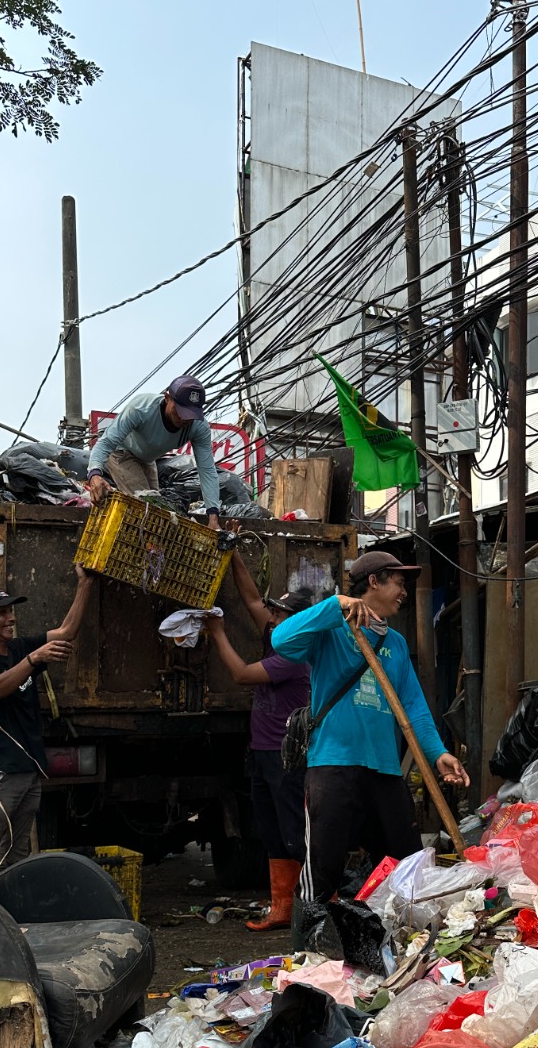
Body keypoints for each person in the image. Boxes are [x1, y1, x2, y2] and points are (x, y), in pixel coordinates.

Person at [270, 550, 468, 930]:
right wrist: (336, 605)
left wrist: (438, 753)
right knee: (322, 869)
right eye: (398, 582)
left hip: (383, 769)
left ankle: (405, 940)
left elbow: (413, 707)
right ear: (373, 582)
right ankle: (307, 951)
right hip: (333, 766)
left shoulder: (394, 643)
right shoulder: (330, 630)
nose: (403, 593)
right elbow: (281, 639)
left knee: (405, 861)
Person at [0, 568, 93, 888]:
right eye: (1, 612)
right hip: (0, 773)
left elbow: (67, 631)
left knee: (16, 859)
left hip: (29, 771)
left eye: (10, 611)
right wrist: (33, 660)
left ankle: (10, 924)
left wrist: (86, 582)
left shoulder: (19, 649)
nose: (10, 618)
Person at [204, 550, 315, 933]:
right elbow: (252, 599)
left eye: (281, 615)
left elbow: (240, 674)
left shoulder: (294, 656)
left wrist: (217, 634)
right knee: (270, 831)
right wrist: (233, 555)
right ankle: (282, 908)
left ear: (299, 622)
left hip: (286, 757)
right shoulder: (277, 638)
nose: (274, 619)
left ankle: (312, 908)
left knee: (292, 833)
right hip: (263, 753)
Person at [87, 375, 221, 529]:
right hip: (121, 453)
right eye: (180, 411)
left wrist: (213, 518)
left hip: (148, 460)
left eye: (190, 415)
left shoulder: (199, 426)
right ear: (167, 398)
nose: (184, 419)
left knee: (159, 510)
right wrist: (94, 474)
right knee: (147, 509)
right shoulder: (141, 408)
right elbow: (106, 442)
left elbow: (207, 470)